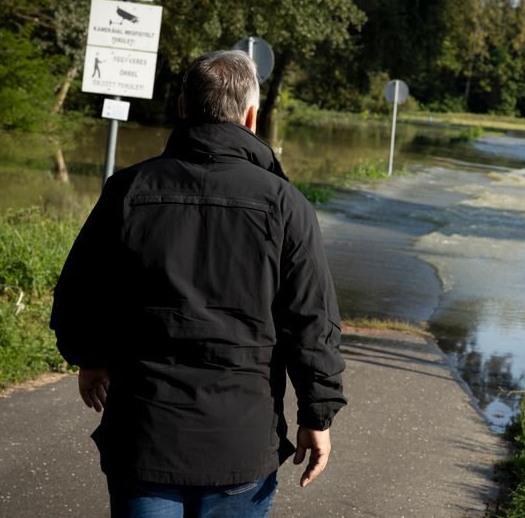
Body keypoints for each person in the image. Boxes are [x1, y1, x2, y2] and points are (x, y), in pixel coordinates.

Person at [50, 50, 346, 517]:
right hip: (241, 443)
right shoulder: (286, 204)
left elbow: (80, 291)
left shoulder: (129, 189)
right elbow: (311, 321)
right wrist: (317, 414)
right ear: (251, 116)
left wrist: (90, 357)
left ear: (182, 108)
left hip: (144, 436)